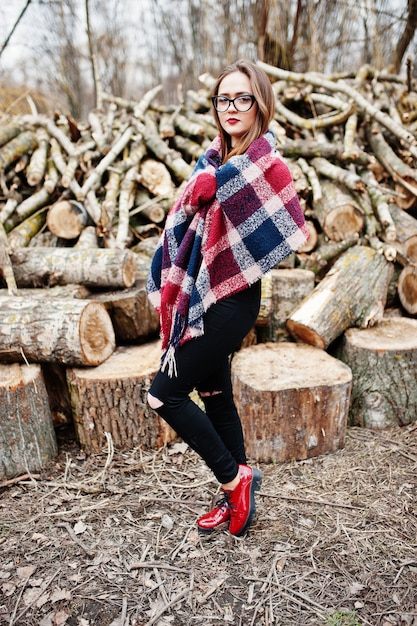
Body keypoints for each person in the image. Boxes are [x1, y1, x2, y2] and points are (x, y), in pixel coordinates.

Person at [146, 59, 309, 537]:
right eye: (224, 99)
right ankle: (236, 487)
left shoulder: (266, 166)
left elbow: (278, 229)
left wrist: (223, 188)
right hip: (201, 295)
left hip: (233, 300)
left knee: (163, 395)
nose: (231, 107)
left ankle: (233, 478)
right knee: (215, 395)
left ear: (261, 104)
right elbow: (189, 229)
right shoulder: (211, 163)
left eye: (243, 98)